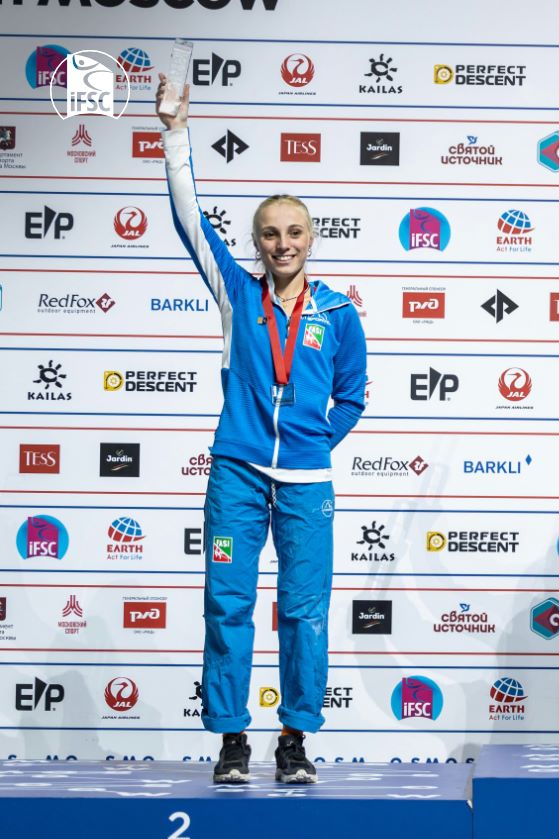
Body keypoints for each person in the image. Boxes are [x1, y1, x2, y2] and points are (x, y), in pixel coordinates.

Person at [157, 74, 368, 784]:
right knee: (228, 604)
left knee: (305, 614)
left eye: (295, 232)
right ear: (257, 242)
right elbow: (190, 220)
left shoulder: (337, 314)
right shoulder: (235, 293)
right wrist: (175, 131)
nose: (283, 244)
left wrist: (310, 443)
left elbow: (352, 398)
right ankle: (231, 742)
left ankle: (295, 741)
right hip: (237, 475)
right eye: (271, 234)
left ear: (312, 238)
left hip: (306, 482)